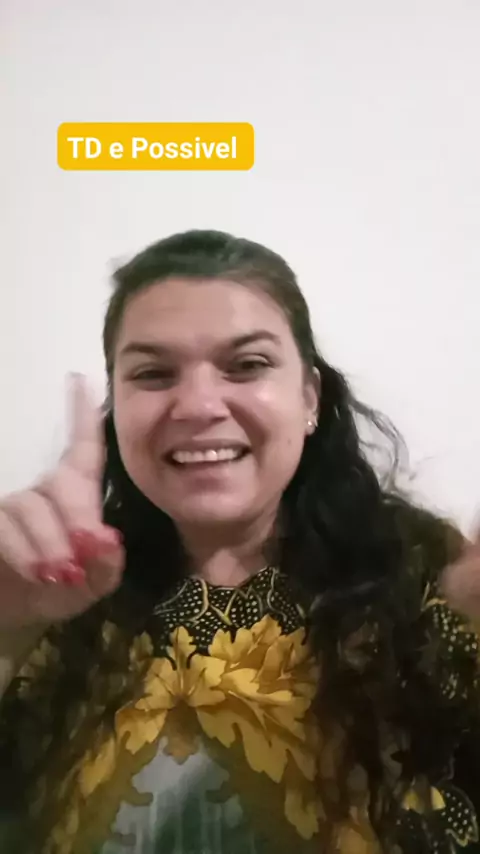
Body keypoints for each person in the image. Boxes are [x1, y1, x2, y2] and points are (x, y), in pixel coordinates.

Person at [0, 229, 479, 854]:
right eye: (153, 373)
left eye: (248, 365)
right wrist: (6, 632)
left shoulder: (427, 577)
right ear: (116, 408)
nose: (198, 405)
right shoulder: (48, 587)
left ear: (309, 398)